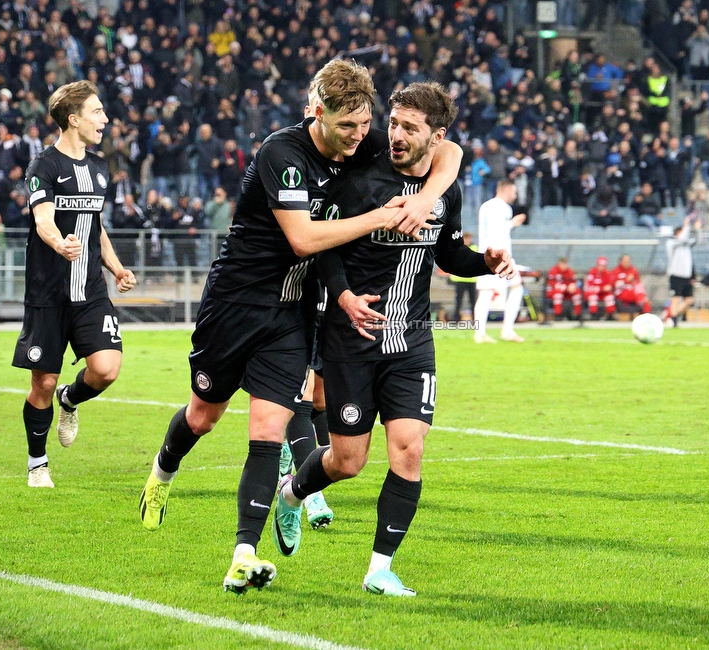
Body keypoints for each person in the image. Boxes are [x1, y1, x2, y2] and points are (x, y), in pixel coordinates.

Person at [136, 60, 464, 596]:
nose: (362, 138)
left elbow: (447, 151)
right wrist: (383, 217)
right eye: (348, 128)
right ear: (317, 113)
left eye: (367, 126)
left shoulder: (367, 145)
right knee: (203, 416)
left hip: (293, 314)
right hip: (237, 305)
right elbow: (305, 241)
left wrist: (427, 198)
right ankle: (163, 471)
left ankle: (244, 553)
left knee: (268, 431)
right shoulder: (281, 153)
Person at [276, 82, 512, 596]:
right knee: (348, 462)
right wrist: (342, 297)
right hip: (352, 338)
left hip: (412, 341)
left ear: (437, 136)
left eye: (410, 127)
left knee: (409, 450)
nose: (396, 134)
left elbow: (449, 253)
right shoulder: (361, 177)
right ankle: (293, 493)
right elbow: (326, 248)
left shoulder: (444, 188)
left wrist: (484, 263)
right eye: (394, 123)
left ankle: (379, 569)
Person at [13, 80, 138, 489]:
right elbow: (43, 219)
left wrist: (116, 268)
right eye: (97, 112)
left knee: (106, 369)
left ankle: (71, 399)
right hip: (48, 294)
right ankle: (37, 463)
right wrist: (58, 243)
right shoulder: (44, 166)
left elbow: (95, 227)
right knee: (42, 383)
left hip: (90, 292)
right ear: (74, 119)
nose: (104, 119)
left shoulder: (101, 169)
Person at [473, 178, 526, 343]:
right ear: (507, 189)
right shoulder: (504, 208)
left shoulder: (485, 206)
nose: (515, 195)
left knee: (487, 293)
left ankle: (481, 332)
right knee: (515, 289)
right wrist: (512, 224)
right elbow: (499, 232)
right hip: (500, 257)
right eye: (514, 191)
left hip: (485, 254)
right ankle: (506, 331)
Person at [664, 218, 695, 327]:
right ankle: (673, 320)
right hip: (676, 274)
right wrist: (687, 225)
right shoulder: (672, 243)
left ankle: (673, 316)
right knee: (676, 298)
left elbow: (698, 240)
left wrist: (698, 229)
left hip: (686, 275)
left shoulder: (687, 244)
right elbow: (682, 239)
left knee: (689, 300)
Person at [449, 231, 478, 320]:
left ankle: (475, 318)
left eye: (469, 239)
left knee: (473, 301)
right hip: (460, 279)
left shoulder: (474, 248)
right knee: (459, 301)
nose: (468, 240)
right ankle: (456, 318)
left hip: (471, 279)